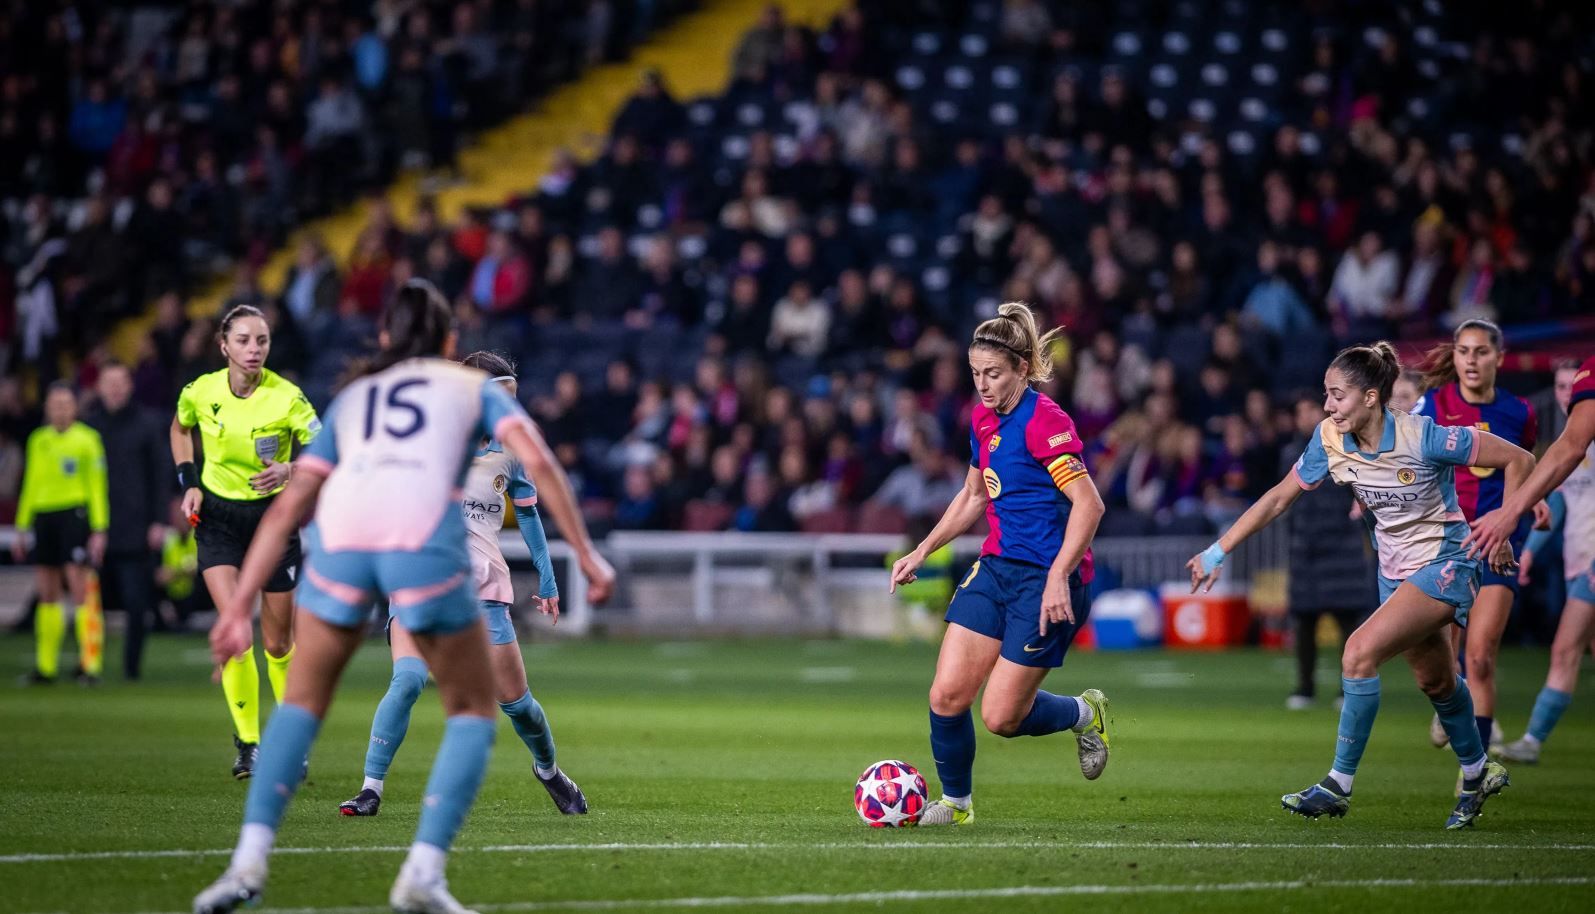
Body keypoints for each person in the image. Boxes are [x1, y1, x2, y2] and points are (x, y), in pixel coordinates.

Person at [192, 280, 616, 914]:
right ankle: (422, 871)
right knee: (473, 713)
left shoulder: (355, 397)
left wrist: (235, 608)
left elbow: (290, 508)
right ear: (448, 344)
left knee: (301, 704)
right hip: (420, 548)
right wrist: (584, 552)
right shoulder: (470, 390)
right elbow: (544, 463)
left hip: (345, 546)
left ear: (386, 338)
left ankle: (246, 864)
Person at [1188, 342, 1533, 829]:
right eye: (1327, 396)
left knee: (1357, 653)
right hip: (1392, 572)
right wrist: (1217, 549)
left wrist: (1503, 521)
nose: (1328, 406)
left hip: (1447, 561)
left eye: (1337, 395)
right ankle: (1478, 773)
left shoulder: (1424, 436)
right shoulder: (1329, 439)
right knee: (1435, 680)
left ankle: (1337, 786)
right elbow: (1277, 498)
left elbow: (1519, 459)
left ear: (1371, 397)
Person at [889, 302, 1112, 827]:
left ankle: (1084, 712)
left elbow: (1090, 504)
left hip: (1049, 580)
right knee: (946, 694)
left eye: (993, 374)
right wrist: (922, 550)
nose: (983, 385)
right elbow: (972, 497)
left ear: (1023, 368)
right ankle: (958, 805)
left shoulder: (1046, 421)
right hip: (996, 569)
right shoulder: (982, 419)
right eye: (975, 374)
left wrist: (1059, 573)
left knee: (1001, 718)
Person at [339, 350, 584, 819]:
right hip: (420, 579)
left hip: (484, 590)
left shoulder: (511, 454)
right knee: (408, 680)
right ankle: (370, 788)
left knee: (518, 706)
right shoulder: (424, 440)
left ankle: (549, 771)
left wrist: (549, 581)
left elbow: (530, 517)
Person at [171, 304, 322, 779]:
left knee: (278, 644)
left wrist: (293, 467)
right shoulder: (201, 391)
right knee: (236, 630)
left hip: (273, 519)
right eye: (243, 341)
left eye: (261, 341)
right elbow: (180, 428)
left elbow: (326, 447)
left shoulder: (287, 398)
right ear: (224, 346)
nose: (254, 349)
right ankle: (249, 746)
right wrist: (188, 481)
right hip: (216, 517)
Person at [1414, 320, 1539, 766]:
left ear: (1499, 358)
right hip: (1446, 544)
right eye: (1464, 351)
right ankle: (1452, 701)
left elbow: (1526, 468)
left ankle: (1474, 775)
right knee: (1441, 666)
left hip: (1497, 545)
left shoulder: (1521, 411)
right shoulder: (1432, 404)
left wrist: (1530, 504)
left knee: (1481, 655)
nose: (1471, 359)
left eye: (1481, 351)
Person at [1498, 361, 1595, 763]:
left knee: (1565, 648)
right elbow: (1557, 501)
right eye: (1560, 385)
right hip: (1578, 557)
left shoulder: (1578, 441)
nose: (1566, 392)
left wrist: (1506, 515)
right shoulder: (1567, 442)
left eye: (1571, 384)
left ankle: (1533, 738)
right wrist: (1532, 550)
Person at [1279, 395, 1375, 709]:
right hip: (1305, 547)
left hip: (1341, 546)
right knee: (1303, 622)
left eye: (1309, 409)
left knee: (1348, 621)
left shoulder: (1349, 447)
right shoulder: (1290, 454)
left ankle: (1349, 687)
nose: (1304, 416)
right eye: (1299, 411)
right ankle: (1304, 687)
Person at [11, 383, 108, 685]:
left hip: (74, 516)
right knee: (47, 592)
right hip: (43, 517)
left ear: (75, 408)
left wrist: (99, 528)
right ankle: (46, 667)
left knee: (80, 590)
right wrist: (22, 526)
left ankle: (89, 666)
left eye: (66, 403)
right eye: (55, 404)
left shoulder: (88, 440)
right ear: (47, 408)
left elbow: (97, 485)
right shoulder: (38, 440)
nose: (60, 409)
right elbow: (30, 484)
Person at [84, 361, 171, 680]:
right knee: (90, 604)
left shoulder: (148, 425)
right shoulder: (88, 426)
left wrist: (159, 521)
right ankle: (89, 664)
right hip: (95, 528)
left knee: (137, 604)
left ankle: (131, 669)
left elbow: (160, 476)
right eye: (110, 382)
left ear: (130, 385)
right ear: (100, 387)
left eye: (121, 381)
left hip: (136, 529)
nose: (116, 388)